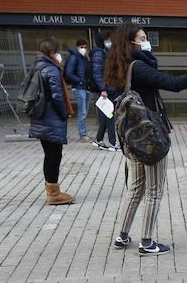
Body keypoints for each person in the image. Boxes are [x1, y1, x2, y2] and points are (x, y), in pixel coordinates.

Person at [104, 23, 187, 255]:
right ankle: (147, 242)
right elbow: (174, 84)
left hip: (133, 135)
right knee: (154, 190)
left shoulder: (122, 65)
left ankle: (122, 236)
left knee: (136, 188)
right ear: (132, 43)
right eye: (142, 38)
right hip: (149, 136)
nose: (147, 41)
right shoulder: (138, 67)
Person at [29, 39, 80, 205]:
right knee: (54, 155)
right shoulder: (51, 69)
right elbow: (57, 95)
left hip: (41, 116)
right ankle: (53, 194)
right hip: (51, 118)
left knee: (49, 154)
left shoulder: (38, 66)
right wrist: (64, 113)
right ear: (52, 53)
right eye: (58, 52)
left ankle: (51, 190)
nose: (60, 56)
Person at [91, 30, 119, 150]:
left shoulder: (106, 52)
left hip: (109, 88)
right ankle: (112, 143)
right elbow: (97, 73)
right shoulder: (99, 54)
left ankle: (99, 140)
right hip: (106, 89)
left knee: (105, 115)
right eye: (108, 39)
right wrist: (103, 89)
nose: (110, 42)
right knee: (110, 116)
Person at [65, 38, 92, 142]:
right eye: (81, 47)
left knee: (85, 112)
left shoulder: (84, 58)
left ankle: (84, 133)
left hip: (85, 88)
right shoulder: (74, 58)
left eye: (85, 47)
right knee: (82, 112)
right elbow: (68, 73)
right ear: (77, 47)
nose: (84, 49)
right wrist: (80, 81)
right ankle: (83, 134)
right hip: (79, 87)